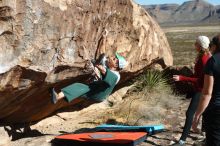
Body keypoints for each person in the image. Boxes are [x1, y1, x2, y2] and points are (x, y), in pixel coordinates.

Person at [172, 36, 211, 146]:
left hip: (201, 90)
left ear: (200, 45)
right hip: (201, 89)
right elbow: (198, 75)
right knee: (206, 112)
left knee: (190, 113)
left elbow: (200, 79)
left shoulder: (204, 59)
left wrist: (182, 78)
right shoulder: (204, 56)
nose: (194, 44)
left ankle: (182, 140)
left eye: (196, 43)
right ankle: (205, 134)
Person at [51, 52, 128, 104]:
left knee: (79, 86)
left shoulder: (116, 76)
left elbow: (105, 72)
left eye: (114, 59)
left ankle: (57, 97)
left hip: (99, 94)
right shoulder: (108, 64)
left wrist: (97, 65)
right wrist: (103, 38)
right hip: (94, 88)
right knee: (78, 86)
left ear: (116, 65)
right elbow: (102, 54)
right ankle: (57, 97)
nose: (111, 58)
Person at [192, 34, 220, 146]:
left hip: (216, 110)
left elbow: (207, 93)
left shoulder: (212, 61)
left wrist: (197, 115)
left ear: (215, 46)